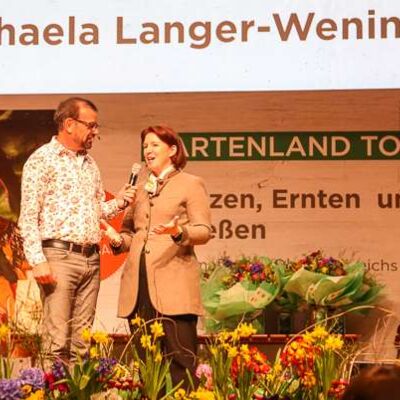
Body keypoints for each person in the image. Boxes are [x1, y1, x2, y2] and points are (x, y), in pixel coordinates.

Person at [19, 97, 136, 361]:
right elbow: (28, 217)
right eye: (91, 125)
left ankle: (79, 385)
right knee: (57, 342)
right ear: (69, 124)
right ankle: (54, 385)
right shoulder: (42, 160)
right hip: (58, 258)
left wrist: (119, 202)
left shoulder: (89, 164)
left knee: (81, 344)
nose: (96, 131)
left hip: (91, 259)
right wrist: (37, 261)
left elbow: (95, 210)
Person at [110, 125, 212, 389]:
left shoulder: (190, 184)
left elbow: (204, 230)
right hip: (138, 286)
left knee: (180, 362)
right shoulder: (139, 190)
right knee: (148, 365)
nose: (148, 150)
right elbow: (130, 233)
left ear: (173, 150)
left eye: (155, 144)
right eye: (145, 146)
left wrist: (178, 231)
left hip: (174, 284)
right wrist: (117, 240)